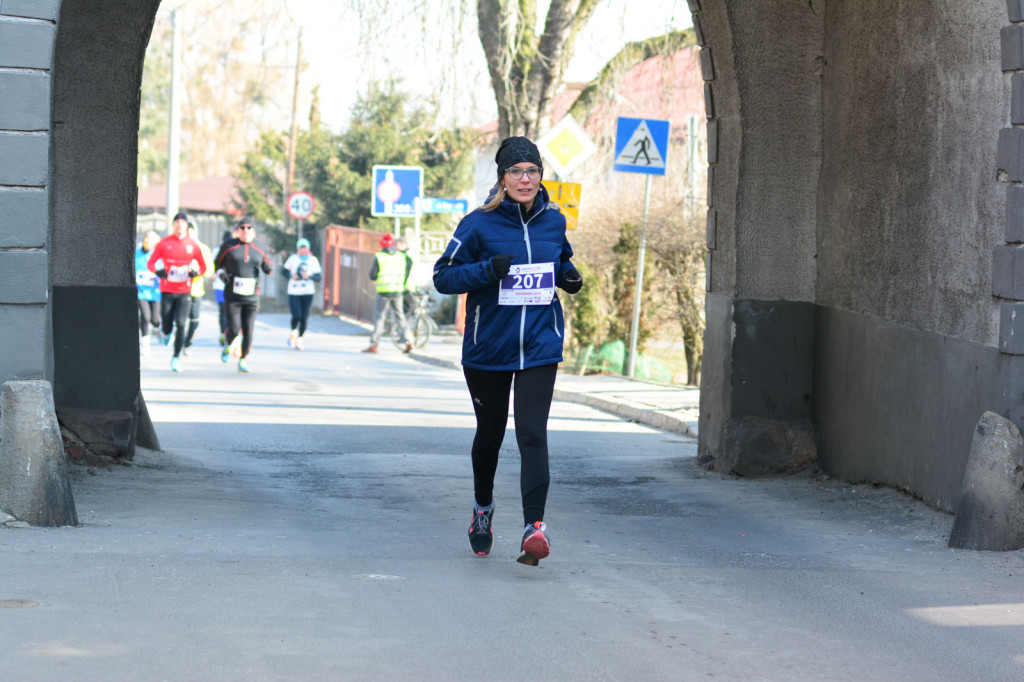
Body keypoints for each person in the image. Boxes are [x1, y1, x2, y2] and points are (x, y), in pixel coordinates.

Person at [433, 136, 583, 566]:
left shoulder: (553, 221)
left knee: (533, 434)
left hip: (539, 345)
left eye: (532, 171)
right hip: (489, 348)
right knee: (491, 435)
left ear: (541, 176)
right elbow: (444, 277)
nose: (524, 179)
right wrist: (487, 270)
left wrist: (568, 277)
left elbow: (561, 261)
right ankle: (483, 510)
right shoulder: (478, 224)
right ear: (502, 177)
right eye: (515, 171)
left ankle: (534, 528)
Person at [147, 211, 207, 372]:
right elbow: (151, 263)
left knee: (181, 324)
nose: (179, 225)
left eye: (183, 222)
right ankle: (165, 333)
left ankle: (175, 357)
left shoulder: (192, 245)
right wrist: (158, 272)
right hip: (167, 290)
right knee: (167, 324)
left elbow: (203, 266)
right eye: (177, 222)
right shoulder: (164, 243)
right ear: (173, 225)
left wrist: (196, 273)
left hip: (184, 292)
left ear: (187, 226)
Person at [215, 217, 273, 372]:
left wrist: (268, 267)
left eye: (249, 228)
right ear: (238, 230)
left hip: (252, 296)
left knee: (248, 328)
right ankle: (228, 343)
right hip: (232, 296)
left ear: (253, 230)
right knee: (234, 328)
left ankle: (243, 359)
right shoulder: (229, 246)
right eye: (242, 228)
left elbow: (269, 265)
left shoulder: (260, 247)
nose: (245, 231)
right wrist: (221, 274)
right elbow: (217, 264)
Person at [363, 233, 414, 354]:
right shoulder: (401, 256)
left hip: (384, 292)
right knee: (400, 316)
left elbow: (372, 275)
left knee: (380, 318)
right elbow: (409, 266)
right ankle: (409, 341)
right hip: (397, 291)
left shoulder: (380, 256)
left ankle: (374, 344)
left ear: (382, 245)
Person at [283, 237, 322, 351]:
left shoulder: (313, 260)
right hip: (294, 291)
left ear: (308, 249)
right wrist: (291, 276)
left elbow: (318, 277)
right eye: (301, 248)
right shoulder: (293, 259)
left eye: (305, 248)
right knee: (296, 315)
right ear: (298, 249)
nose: (303, 250)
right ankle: (294, 331)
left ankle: (300, 338)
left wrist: (309, 276)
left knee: (304, 316)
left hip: (308, 291)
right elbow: (284, 271)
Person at [182, 222, 214, 357]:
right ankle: (179, 342)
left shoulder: (203, 248)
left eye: (191, 232)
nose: (189, 235)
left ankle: (187, 344)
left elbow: (209, 270)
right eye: (187, 232)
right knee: (180, 320)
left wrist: (199, 272)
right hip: (179, 289)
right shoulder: (179, 246)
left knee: (194, 321)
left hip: (196, 290)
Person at [135, 230, 162, 356]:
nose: (147, 241)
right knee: (145, 317)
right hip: (141, 292)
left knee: (155, 319)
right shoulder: (136, 254)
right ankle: (145, 344)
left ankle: (157, 328)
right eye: (146, 238)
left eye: (151, 240)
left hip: (155, 292)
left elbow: (163, 271)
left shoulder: (157, 256)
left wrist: (157, 276)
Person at [396, 236, 417, 316]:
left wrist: (403, 283)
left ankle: (405, 327)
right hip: (409, 285)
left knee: (405, 312)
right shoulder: (409, 253)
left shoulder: (405, 256)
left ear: (402, 244)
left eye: (397, 244)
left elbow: (406, 271)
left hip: (406, 286)